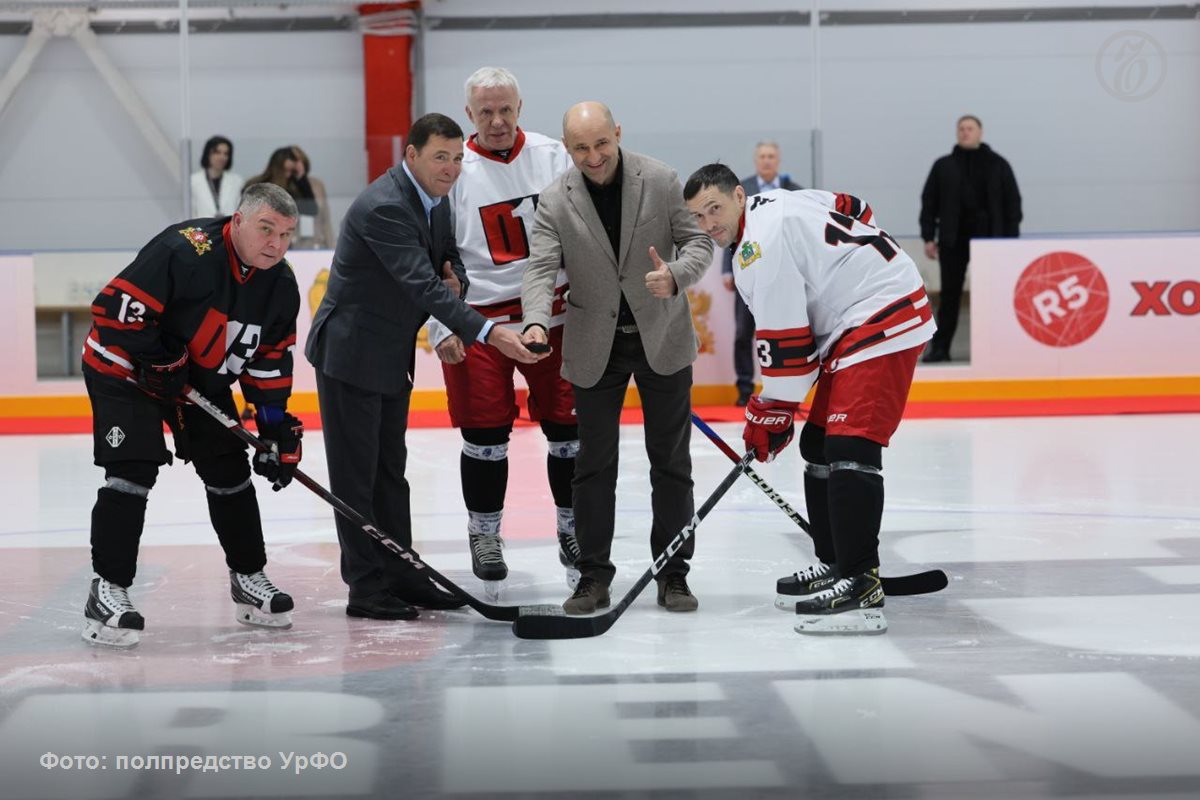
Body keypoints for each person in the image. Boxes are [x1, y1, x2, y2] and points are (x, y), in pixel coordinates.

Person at [306, 113, 541, 622]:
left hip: (389, 352)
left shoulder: (434, 199)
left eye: (458, 158)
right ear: (410, 154)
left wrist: (454, 276)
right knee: (356, 477)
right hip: (351, 355)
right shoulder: (387, 206)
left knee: (391, 473)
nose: (453, 167)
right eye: (441, 156)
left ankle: (404, 573)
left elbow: (446, 260)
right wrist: (488, 331)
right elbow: (423, 284)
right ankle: (366, 587)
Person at [684, 163, 935, 635]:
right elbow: (852, 207)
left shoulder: (761, 245)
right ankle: (839, 563)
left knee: (850, 445)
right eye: (697, 217)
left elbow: (791, 353)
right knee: (818, 444)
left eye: (714, 208)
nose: (708, 224)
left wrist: (769, 412)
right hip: (858, 316)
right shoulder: (773, 206)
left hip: (881, 313)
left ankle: (861, 586)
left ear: (739, 196)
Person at [80, 183, 303, 648]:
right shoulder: (185, 250)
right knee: (133, 470)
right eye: (266, 229)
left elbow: (268, 362)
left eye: (286, 234)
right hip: (123, 368)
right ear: (237, 221)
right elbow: (114, 309)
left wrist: (275, 430)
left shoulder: (280, 285)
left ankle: (248, 578)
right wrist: (160, 356)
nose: (276, 245)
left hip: (196, 382)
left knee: (229, 469)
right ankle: (107, 590)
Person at [522, 102, 713, 616]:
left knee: (671, 464)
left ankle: (673, 573)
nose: (593, 156)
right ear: (567, 148)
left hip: (661, 339)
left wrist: (675, 275)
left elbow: (698, 243)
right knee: (593, 466)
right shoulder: (554, 200)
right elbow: (540, 269)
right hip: (594, 346)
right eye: (581, 147)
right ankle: (592, 578)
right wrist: (536, 319)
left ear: (618, 134)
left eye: (601, 143)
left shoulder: (661, 179)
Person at [425, 67, 578, 587]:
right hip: (481, 323)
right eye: (485, 111)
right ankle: (484, 532)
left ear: (519, 106)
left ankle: (572, 526)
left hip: (554, 317)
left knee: (569, 431)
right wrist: (438, 325)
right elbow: (430, 260)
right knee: (485, 434)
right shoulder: (451, 169)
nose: (496, 120)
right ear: (469, 114)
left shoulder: (554, 155)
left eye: (505, 109)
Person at [919, 115, 1022, 362]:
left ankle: (999, 349)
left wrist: (1010, 243)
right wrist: (928, 237)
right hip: (953, 240)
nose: (965, 132)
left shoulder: (998, 165)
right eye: (961, 128)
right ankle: (941, 348)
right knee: (950, 297)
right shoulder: (943, 166)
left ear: (980, 132)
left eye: (970, 128)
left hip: (991, 242)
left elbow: (1013, 205)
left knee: (994, 296)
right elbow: (929, 203)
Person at [721, 141, 803, 406]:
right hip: (748, 273)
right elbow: (730, 227)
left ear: (778, 160)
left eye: (771, 156)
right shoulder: (739, 191)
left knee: (783, 332)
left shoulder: (794, 192)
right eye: (762, 157)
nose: (767, 161)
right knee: (743, 333)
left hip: (783, 277)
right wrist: (727, 268)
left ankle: (786, 389)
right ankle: (744, 388)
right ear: (756, 161)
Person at [289, 145, 334, 249]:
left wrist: (332, 247)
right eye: (293, 161)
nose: (296, 165)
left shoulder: (317, 185)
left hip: (317, 243)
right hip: (293, 244)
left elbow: (325, 219)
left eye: (299, 160)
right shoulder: (285, 186)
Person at [190, 135, 245, 218]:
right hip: (202, 229)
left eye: (226, 154)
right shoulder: (193, 181)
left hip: (229, 228)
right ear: (208, 154)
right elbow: (191, 212)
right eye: (217, 152)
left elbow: (240, 210)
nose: (222, 157)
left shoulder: (237, 181)